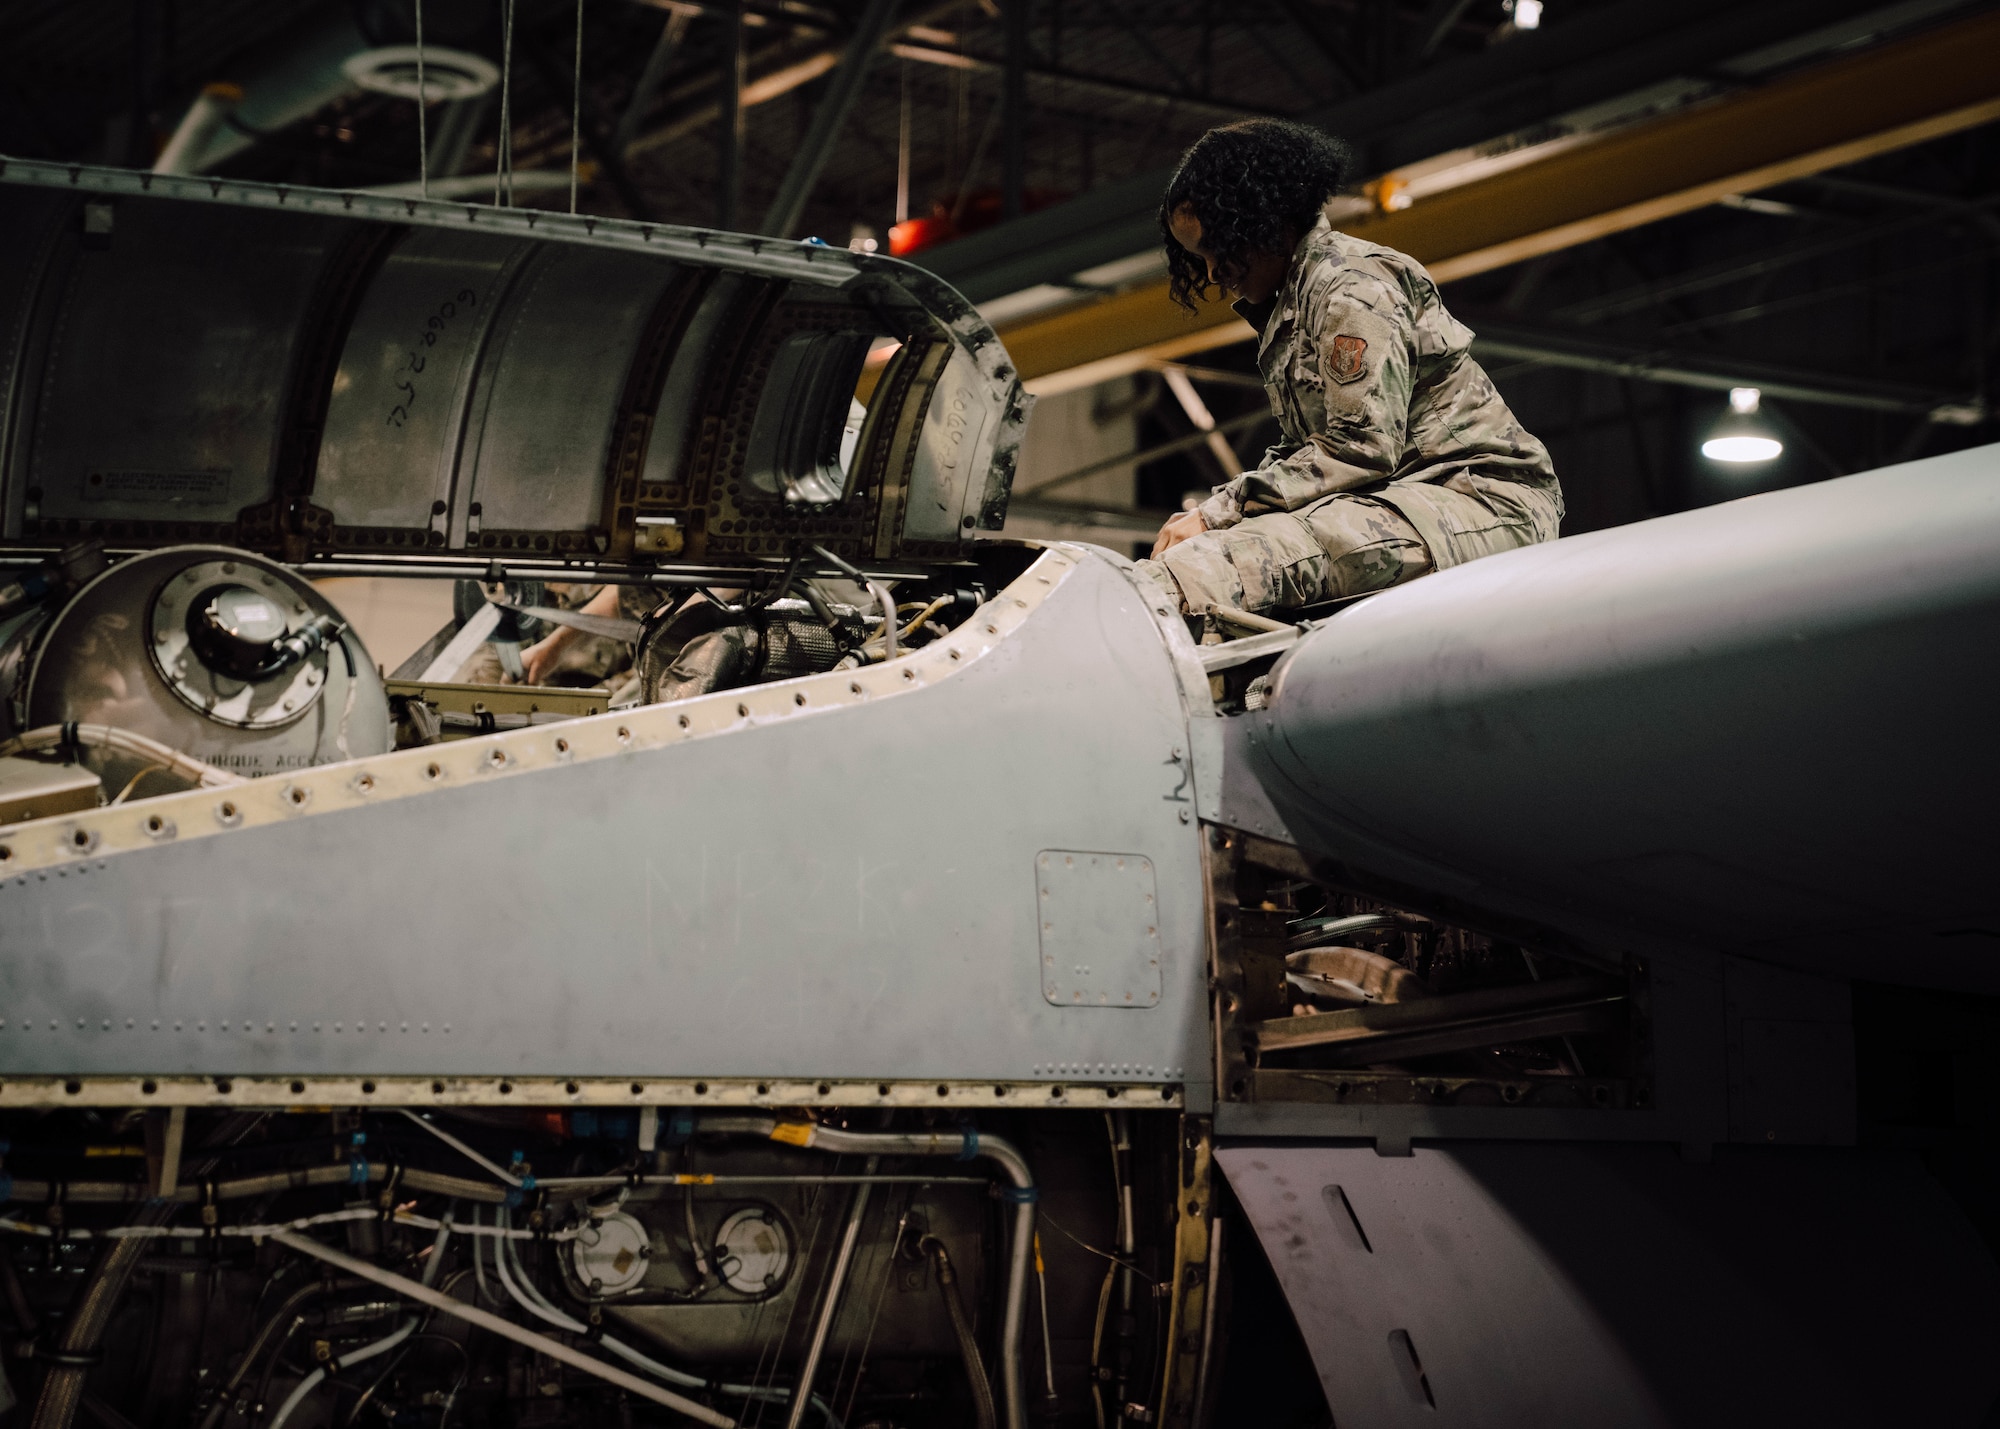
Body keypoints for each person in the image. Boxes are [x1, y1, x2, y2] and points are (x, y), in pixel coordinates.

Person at [1136, 119, 1563, 619]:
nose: (1212, 272)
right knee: (1217, 557)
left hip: (1482, 500)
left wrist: (1217, 514)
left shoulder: (1349, 288)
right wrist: (1221, 514)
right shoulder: (1298, 300)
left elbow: (1360, 449)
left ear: (1262, 220)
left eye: (1219, 248)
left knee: (1222, 567)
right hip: (1409, 499)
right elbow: (1313, 453)